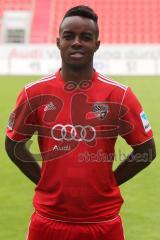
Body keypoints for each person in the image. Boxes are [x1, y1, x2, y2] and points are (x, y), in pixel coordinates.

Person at [5, 5, 156, 240]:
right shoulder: (33, 94)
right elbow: (13, 145)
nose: (77, 42)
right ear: (58, 42)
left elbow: (146, 150)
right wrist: (43, 179)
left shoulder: (120, 95)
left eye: (86, 37)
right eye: (69, 36)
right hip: (47, 222)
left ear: (97, 44)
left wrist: (110, 182)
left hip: (103, 223)